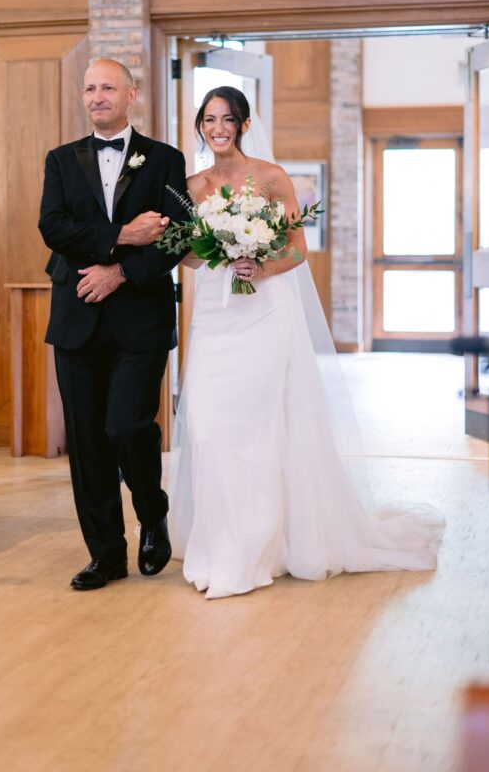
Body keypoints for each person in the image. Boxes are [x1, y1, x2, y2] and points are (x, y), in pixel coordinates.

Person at [170, 86, 443, 600]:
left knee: (259, 428)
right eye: (209, 120)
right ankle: (217, 537)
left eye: (228, 119)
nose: (218, 128)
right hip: (214, 314)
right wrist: (211, 251)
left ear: (245, 125)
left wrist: (258, 262)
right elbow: (185, 255)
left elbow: (297, 250)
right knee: (205, 426)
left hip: (264, 312)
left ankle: (258, 546)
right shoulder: (192, 185)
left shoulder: (271, 178)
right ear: (200, 127)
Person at [39, 58, 188, 591]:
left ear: (132, 94)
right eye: (89, 88)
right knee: (86, 443)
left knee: (127, 426)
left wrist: (120, 273)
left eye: (107, 87)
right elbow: (53, 226)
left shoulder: (166, 160)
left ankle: (153, 513)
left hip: (139, 319)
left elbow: (179, 236)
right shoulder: (60, 160)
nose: (97, 96)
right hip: (76, 313)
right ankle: (105, 555)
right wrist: (123, 235)